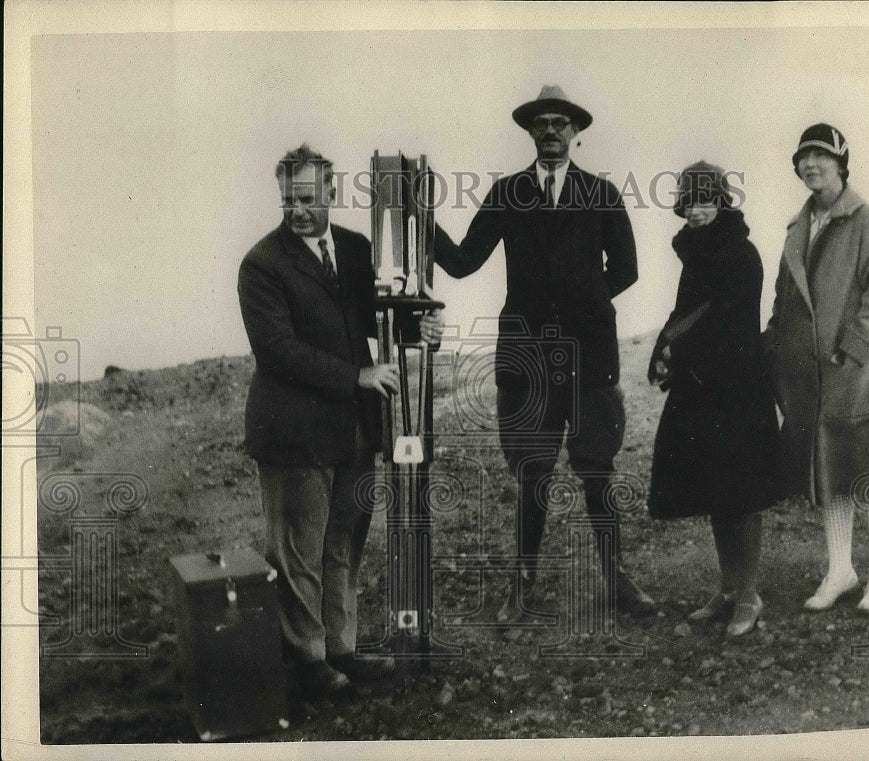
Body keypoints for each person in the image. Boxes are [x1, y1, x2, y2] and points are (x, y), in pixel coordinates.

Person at [432, 85, 656, 622]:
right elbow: (463, 261)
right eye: (541, 124)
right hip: (527, 358)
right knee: (534, 471)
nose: (551, 132)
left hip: (589, 355)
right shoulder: (508, 193)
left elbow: (626, 270)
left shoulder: (601, 193)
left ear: (575, 132)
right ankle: (522, 586)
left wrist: (581, 303)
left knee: (597, 470)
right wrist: (420, 218)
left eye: (560, 123)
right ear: (530, 133)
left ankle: (616, 581)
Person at [238, 144, 444, 701]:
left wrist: (418, 332)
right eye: (289, 199)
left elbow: (385, 316)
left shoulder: (355, 250)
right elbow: (278, 350)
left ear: (330, 192)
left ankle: (342, 649)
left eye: (308, 197)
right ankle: (307, 661)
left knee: (344, 542)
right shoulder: (262, 265)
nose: (298, 209)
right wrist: (358, 375)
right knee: (298, 549)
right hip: (294, 432)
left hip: (353, 430)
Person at [763, 124, 869, 613]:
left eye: (820, 156)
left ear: (840, 163)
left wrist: (851, 349)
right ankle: (840, 570)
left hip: (858, 372)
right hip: (810, 380)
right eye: (803, 157)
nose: (810, 165)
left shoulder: (867, 219)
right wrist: (773, 354)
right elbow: (783, 301)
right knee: (829, 473)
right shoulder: (797, 228)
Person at [647, 161, 779, 637]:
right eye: (688, 200)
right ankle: (728, 588)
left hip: (737, 390)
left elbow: (728, 321)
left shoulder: (740, 253)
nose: (695, 209)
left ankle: (749, 595)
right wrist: (662, 347)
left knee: (742, 492)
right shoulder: (697, 253)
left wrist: (675, 351)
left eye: (705, 199)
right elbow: (685, 311)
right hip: (703, 388)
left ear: (722, 201)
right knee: (716, 490)